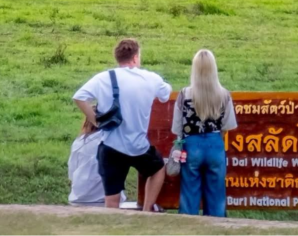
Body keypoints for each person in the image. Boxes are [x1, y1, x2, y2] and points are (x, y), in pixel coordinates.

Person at [73, 38, 172, 211]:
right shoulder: (150, 78)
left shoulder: (103, 78)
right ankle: (147, 209)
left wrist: (95, 120)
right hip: (138, 146)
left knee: (111, 199)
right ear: (135, 58)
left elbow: (79, 97)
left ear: (118, 58)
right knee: (157, 168)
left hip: (111, 146)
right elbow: (165, 94)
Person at [171, 49, 237, 217]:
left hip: (191, 146)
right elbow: (227, 126)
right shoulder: (224, 95)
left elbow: (177, 128)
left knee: (189, 194)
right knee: (216, 196)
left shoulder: (184, 94)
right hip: (215, 145)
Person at [67, 117, 126, 206]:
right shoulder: (113, 140)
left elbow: (71, 172)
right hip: (107, 196)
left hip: (79, 196)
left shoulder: (78, 142)